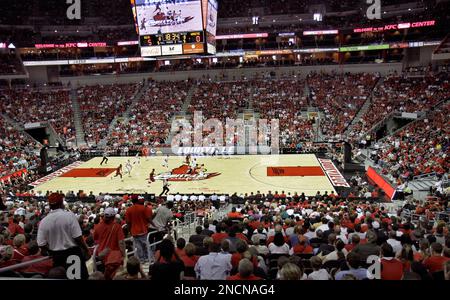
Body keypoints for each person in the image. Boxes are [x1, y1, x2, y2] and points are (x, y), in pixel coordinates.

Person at [37, 193, 91, 279]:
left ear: (50, 206)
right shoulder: (69, 216)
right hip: (72, 255)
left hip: (56, 257)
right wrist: (86, 250)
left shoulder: (44, 221)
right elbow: (78, 237)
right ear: (62, 203)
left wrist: (50, 250)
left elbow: (41, 244)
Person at [93, 207, 126, 280]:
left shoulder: (98, 226)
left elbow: (95, 238)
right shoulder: (117, 226)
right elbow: (121, 242)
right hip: (113, 257)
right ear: (113, 216)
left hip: (102, 256)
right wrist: (124, 255)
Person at [125, 196, 153, 263]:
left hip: (134, 231)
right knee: (146, 245)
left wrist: (129, 231)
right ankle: (149, 258)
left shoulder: (128, 210)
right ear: (137, 200)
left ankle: (142, 260)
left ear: (132, 201)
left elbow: (128, 222)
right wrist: (155, 225)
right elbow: (148, 219)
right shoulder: (143, 208)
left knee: (138, 247)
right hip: (143, 230)